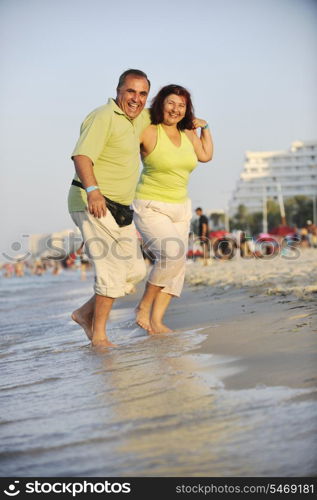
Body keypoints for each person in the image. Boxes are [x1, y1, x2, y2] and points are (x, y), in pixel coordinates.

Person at [68, 69, 151, 348]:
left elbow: (168, 116)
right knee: (111, 270)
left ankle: (84, 313)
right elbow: (82, 155)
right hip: (93, 201)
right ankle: (100, 337)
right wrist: (94, 191)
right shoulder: (103, 116)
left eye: (142, 94)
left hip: (122, 209)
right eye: (130, 91)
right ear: (118, 91)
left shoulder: (139, 120)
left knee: (136, 270)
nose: (136, 99)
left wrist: (193, 121)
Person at [133, 84, 213, 333]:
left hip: (181, 208)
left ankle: (156, 321)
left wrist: (205, 127)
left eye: (181, 105)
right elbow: (122, 151)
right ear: (160, 104)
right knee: (172, 255)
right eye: (171, 103)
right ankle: (144, 307)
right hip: (150, 205)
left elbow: (206, 155)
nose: (176, 109)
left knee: (177, 267)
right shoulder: (148, 130)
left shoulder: (188, 133)